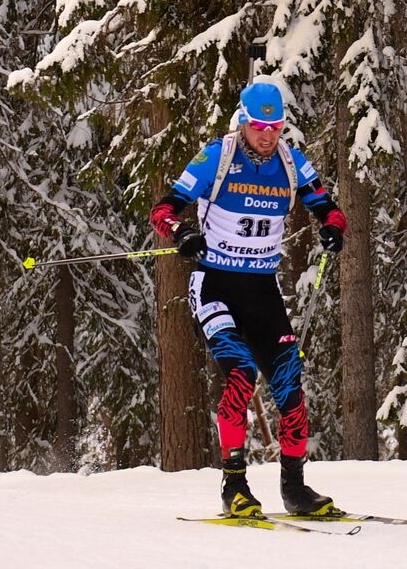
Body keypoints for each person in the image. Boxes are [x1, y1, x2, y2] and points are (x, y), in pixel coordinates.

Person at [150, 82, 347, 518]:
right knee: (240, 374)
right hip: (214, 286)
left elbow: (327, 207)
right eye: (259, 127)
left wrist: (333, 226)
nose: (267, 135)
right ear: (243, 121)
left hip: (262, 291)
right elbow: (164, 209)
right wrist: (181, 233)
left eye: (274, 127)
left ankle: (294, 490)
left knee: (290, 388)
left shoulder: (292, 163)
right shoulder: (216, 158)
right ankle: (234, 486)